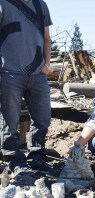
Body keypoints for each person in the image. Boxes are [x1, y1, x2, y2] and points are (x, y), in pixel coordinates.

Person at [0, 0, 52, 172]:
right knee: (10, 120)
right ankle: (13, 161)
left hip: (38, 75)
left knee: (42, 119)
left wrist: (47, 64)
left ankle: (37, 157)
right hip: (10, 73)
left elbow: (46, 37)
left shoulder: (41, 5)